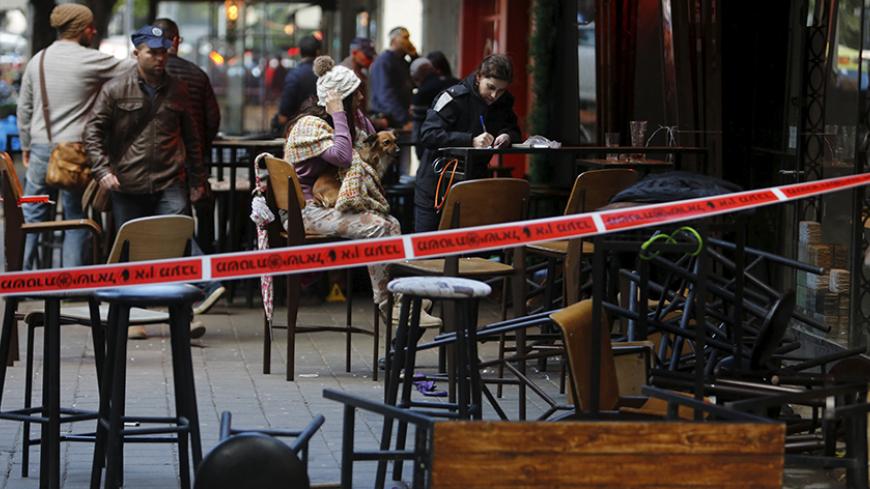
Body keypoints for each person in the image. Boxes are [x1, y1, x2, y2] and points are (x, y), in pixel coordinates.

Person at [282, 55, 439, 327]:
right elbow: (344, 157)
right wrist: (340, 114)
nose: (363, 96)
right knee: (379, 227)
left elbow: (368, 146)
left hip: (329, 206)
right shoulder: (310, 126)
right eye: (356, 94)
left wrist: (355, 116)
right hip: (306, 210)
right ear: (342, 99)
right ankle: (389, 304)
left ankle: (402, 298)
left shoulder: (348, 120)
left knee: (392, 223)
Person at [84, 25, 208, 338]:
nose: (159, 58)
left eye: (163, 51)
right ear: (136, 53)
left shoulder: (177, 89)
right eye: (152, 52)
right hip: (126, 183)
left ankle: (184, 314)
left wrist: (198, 178)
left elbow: (192, 137)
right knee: (132, 250)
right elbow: (92, 132)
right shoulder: (115, 88)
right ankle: (134, 315)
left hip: (170, 179)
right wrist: (102, 171)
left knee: (176, 242)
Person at [16, 4, 134, 269]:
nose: (93, 30)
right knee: (75, 216)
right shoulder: (89, 59)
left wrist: (26, 145)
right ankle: (69, 284)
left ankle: (20, 279)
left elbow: (24, 108)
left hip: (40, 149)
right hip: (75, 151)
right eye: (90, 26)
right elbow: (133, 68)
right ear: (81, 29)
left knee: (33, 216)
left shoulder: (39, 60)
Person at [153, 17, 226, 316]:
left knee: (169, 225)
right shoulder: (196, 75)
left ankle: (187, 286)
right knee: (179, 223)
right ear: (177, 40)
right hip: (187, 162)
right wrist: (201, 156)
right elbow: (211, 121)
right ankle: (190, 285)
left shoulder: (146, 78)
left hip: (160, 164)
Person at [415, 54, 521, 232]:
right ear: (479, 77)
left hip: (474, 182)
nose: (495, 95)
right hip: (437, 183)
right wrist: (470, 140)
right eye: (491, 87)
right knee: (428, 251)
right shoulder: (453, 97)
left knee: (470, 253)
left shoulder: (504, 101)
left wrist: (506, 136)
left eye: (501, 90)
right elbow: (428, 134)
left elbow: (512, 128)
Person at [368, 27, 417, 130]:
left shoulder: (403, 61)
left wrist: (414, 55)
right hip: (388, 118)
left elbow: (415, 81)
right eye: (404, 38)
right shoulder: (383, 62)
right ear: (394, 40)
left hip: (401, 116)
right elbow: (385, 95)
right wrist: (403, 119)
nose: (407, 42)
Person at [272, 35, 321, 136]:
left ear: (300, 51)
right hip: (321, 130)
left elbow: (283, 115)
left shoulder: (294, 75)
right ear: (318, 52)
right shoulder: (326, 75)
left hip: (297, 131)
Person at [409, 57, 458, 159]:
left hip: (431, 144)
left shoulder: (422, 93)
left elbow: (418, 127)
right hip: (457, 142)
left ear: (417, 77)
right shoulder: (455, 83)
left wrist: (419, 150)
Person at [340, 37, 376, 111]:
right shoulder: (346, 73)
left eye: (372, 57)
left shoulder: (359, 73)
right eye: (368, 56)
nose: (371, 60)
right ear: (355, 53)